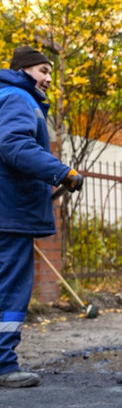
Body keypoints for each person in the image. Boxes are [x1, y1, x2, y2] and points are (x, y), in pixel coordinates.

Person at [0, 45, 83, 388]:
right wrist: (62, 172)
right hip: (11, 214)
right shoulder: (19, 98)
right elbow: (15, 146)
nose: (49, 79)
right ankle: (4, 366)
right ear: (23, 71)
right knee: (10, 289)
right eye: (43, 71)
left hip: (7, 210)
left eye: (50, 72)